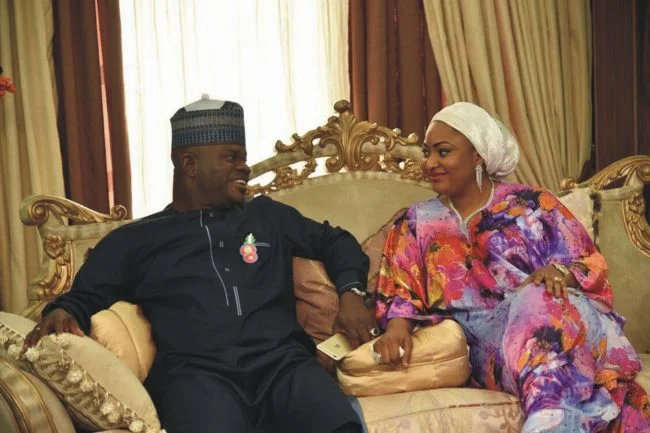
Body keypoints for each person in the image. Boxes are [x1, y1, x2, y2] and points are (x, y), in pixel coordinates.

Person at [23, 96, 376, 433]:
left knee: (337, 423)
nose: (244, 167)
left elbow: (336, 241)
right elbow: (86, 294)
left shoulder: (267, 216)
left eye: (243, 157)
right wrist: (65, 310)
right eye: (231, 157)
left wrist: (351, 293)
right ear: (190, 165)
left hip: (284, 366)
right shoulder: (136, 240)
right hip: (197, 377)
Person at [372, 102, 649, 432]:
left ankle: (549, 421)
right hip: (486, 345)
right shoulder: (416, 222)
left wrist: (559, 273)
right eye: (427, 152)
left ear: (478, 157)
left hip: (554, 318)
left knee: (537, 297)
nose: (430, 163)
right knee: (539, 313)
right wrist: (396, 328)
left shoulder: (532, 204)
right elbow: (401, 288)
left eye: (443, 152)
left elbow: (588, 262)